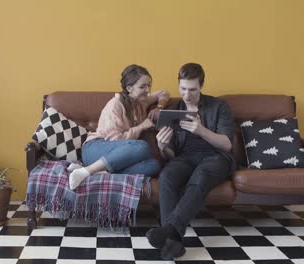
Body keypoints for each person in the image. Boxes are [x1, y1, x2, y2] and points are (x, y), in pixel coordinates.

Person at [146, 63, 235, 260]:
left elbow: (227, 145)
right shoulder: (173, 110)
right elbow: (171, 154)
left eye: (192, 89)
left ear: (201, 85)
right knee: (167, 174)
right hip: (185, 158)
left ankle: (168, 229)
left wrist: (201, 130)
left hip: (216, 157)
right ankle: (174, 243)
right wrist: (162, 146)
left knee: (201, 175)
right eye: (183, 88)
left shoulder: (218, 106)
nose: (187, 95)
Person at [68, 64, 170, 190]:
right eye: (142, 86)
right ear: (129, 88)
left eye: (149, 85)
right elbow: (115, 140)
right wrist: (141, 127)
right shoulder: (116, 105)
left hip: (116, 157)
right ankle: (86, 171)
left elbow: (164, 92)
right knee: (142, 146)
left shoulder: (141, 101)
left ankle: (99, 173)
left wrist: (159, 107)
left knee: (154, 165)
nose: (148, 90)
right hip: (96, 149)